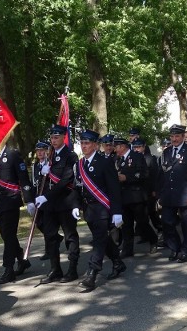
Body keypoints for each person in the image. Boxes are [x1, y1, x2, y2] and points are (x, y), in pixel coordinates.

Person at [74, 129, 126, 291]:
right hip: (89, 209)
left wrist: (117, 211)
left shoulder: (104, 162)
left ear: (96, 145)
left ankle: (92, 272)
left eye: (87, 143)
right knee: (103, 239)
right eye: (82, 143)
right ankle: (118, 263)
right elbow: (78, 188)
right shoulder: (79, 164)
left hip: (103, 208)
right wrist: (76, 205)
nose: (84, 146)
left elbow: (114, 188)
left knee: (98, 240)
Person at [0, 145, 35, 284]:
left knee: (9, 234)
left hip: (11, 200)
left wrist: (29, 199)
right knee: (6, 235)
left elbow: (23, 178)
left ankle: (8, 269)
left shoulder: (12, 154)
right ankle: (22, 260)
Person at [35, 124, 81, 283]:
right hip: (50, 205)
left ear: (63, 137)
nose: (53, 140)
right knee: (50, 236)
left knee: (70, 236)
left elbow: (66, 180)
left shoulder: (71, 156)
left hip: (66, 202)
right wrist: (43, 173)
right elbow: (44, 180)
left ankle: (73, 269)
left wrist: (46, 196)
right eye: (52, 138)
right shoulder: (50, 156)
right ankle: (55, 269)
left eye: (56, 137)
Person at [158, 124, 187, 262]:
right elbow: (162, 174)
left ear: (183, 136)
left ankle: (186, 251)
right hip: (168, 195)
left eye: (177, 136)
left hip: (185, 195)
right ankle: (175, 247)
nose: (174, 139)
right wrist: (160, 194)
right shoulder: (166, 152)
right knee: (167, 222)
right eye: (172, 136)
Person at [114, 137, 157, 257]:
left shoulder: (137, 156)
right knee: (126, 224)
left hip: (136, 196)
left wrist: (127, 178)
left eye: (117, 146)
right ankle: (128, 250)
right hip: (123, 197)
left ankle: (153, 239)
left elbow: (144, 174)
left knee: (142, 222)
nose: (115, 149)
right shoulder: (119, 159)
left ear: (123, 146)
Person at [132, 138, 162, 238]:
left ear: (144, 147)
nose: (137, 149)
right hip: (138, 192)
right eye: (135, 147)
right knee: (141, 215)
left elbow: (155, 176)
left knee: (152, 213)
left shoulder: (150, 159)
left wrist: (154, 190)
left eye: (139, 147)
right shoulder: (132, 159)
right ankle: (145, 236)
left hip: (148, 191)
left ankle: (160, 228)